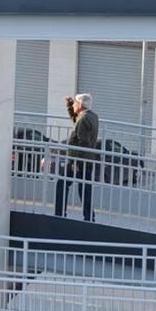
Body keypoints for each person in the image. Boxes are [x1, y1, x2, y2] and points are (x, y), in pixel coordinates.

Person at [55, 93, 98, 222]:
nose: (74, 105)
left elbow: (81, 142)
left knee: (62, 184)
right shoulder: (91, 116)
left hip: (78, 160)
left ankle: (60, 214)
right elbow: (76, 121)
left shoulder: (83, 119)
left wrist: (75, 162)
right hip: (87, 159)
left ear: (80, 105)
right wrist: (69, 105)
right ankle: (89, 217)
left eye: (74, 103)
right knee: (85, 188)